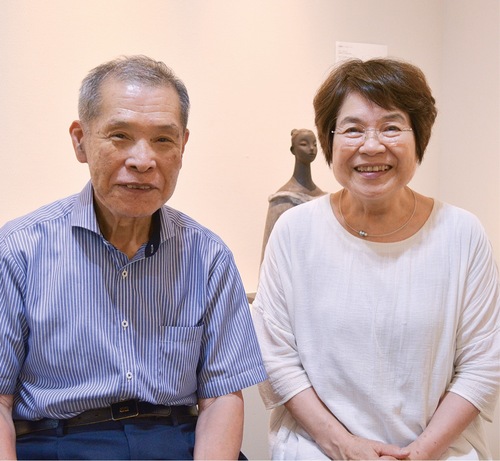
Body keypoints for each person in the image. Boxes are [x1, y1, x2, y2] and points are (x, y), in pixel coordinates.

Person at [0, 55, 267, 460]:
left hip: (176, 442)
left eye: (163, 140)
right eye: (120, 135)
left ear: (183, 146)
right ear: (80, 141)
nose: (143, 160)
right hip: (60, 444)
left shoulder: (208, 256)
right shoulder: (19, 250)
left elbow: (221, 399)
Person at [252, 58, 499, 460]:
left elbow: (483, 364)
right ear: (330, 140)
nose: (371, 146)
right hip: (318, 450)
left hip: (440, 453)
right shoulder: (294, 231)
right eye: (353, 129)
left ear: (418, 138)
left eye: (391, 127)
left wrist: (419, 453)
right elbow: (275, 357)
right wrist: (343, 445)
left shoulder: (462, 234)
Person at [261, 128, 326, 260]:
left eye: (314, 144)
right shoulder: (282, 200)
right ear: (293, 150)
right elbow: (269, 254)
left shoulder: (323, 198)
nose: (311, 148)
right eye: (304, 144)